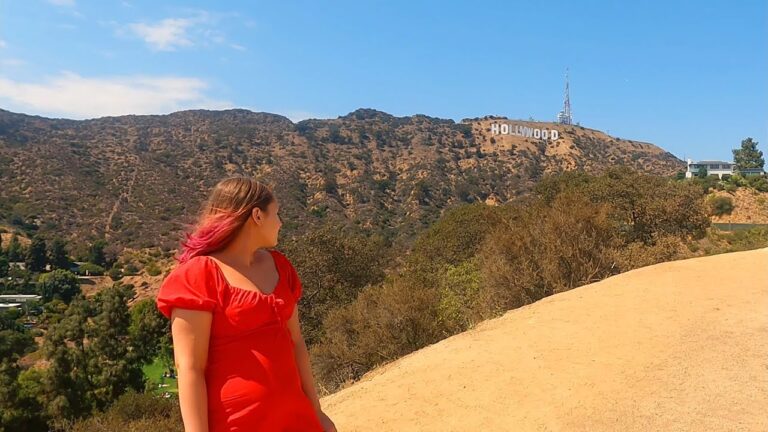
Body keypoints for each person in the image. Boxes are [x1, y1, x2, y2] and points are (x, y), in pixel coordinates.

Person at [156, 176, 337, 432]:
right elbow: (190, 369)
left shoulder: (280, 266)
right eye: (276, 213)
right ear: (257, 216)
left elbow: (296, 343)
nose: (281, 223)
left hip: (298, 419)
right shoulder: (197, 276)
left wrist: (317, 412)